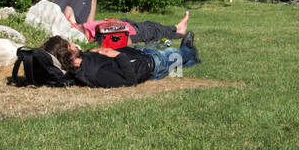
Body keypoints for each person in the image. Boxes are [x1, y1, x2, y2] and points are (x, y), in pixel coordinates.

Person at [44, 32, 200, 88]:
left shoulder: (79, 62)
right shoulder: (97, 74)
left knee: (172, 58)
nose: (72, 43)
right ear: (68, 56)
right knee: (173, 53)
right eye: (69, 45)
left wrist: (95, 51)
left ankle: (192, 61)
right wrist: (117, 55)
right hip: (152, 64)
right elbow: (130, 81)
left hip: (139, 53)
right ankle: (188, 51)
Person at [58, 0, 192, 45]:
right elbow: (120, 40)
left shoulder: (82, 27)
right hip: (129, 30)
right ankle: (177, 30)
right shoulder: (92, 38)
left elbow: (88, 25)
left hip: (119, 25)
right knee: (151, 28)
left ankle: (176, 29)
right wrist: (117, 24)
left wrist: (92, 8)